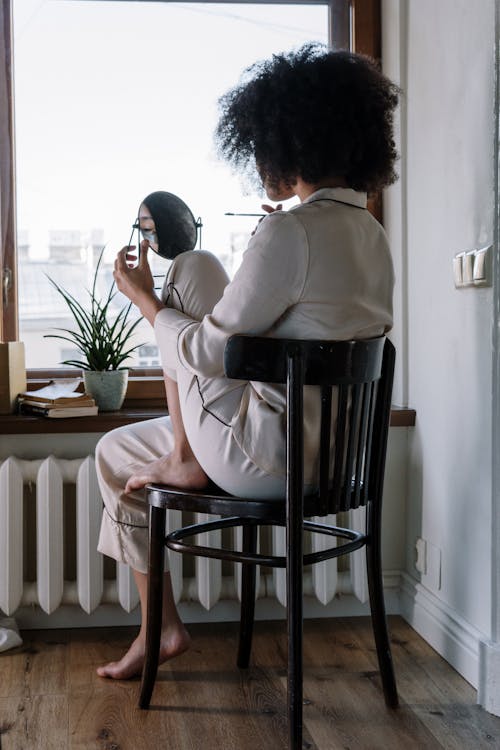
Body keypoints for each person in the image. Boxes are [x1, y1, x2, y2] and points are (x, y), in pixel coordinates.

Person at [95, 43, 400, 679]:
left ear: (288, 141)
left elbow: (209, 351)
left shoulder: (289, 233)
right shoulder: (370, 234)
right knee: (117, 452)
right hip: (338, 463)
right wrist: (281, 237)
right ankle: (164, 627)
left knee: (195, 270)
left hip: (266, 462)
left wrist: (147, 300)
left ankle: (182, 468)